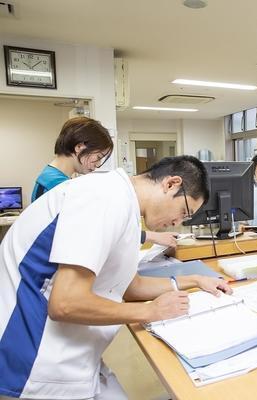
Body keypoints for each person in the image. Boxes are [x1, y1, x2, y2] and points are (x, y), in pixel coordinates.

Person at [0, 154, 232, 399]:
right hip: (34, 357)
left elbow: (130, 286)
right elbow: (66, 303)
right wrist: (150, 311)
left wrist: (196, 280)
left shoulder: (126, 207)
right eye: (183, 212)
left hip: (73, 351)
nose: (177, 222)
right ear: (171, 184)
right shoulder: (103, 197)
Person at [31, 117, 179, 248]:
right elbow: (93, 231)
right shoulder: (57, 185)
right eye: (99, 156)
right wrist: (151, 236)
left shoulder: (50, 176)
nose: (98, 164)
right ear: (79, 147)